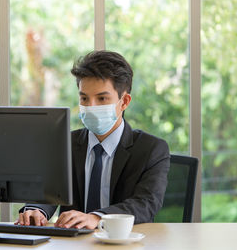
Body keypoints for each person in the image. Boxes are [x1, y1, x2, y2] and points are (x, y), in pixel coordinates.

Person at [16, 50, 170, 229]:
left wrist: (97, 217)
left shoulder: (152, 149)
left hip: (126, 243)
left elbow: (146, 203)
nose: (91, 106)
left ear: (125, 101)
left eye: (102, 98)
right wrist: (37, 210)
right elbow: (48, 192)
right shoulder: (65, 144)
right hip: (75, 244)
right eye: (84, 98)